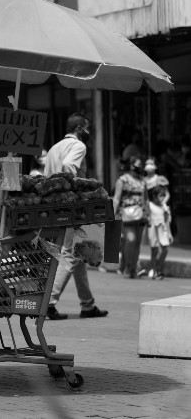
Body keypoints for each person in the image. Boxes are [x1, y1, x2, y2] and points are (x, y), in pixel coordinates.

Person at [44, 113, 108, 320]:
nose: (89, 133)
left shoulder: (54, 148)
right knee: (71, 254)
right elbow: (68, 167)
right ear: (80, 129)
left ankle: (87, 305)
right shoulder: (78, 146)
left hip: (55, 206)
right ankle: (49, 303)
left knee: (79, 253)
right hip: (73, 205)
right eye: (87, 128)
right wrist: (78, 191)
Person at [113, 156, 150, 279]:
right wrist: (112, 214)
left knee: (137, 243)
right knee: (131, 239)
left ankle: (133, 269)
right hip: (126, 215)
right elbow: (117, 198)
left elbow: (146, 199)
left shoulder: (142, 181)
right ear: (131, 165)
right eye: (138, 164)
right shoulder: (122, 180)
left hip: (140, 216)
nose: (140, 167)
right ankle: (127, 266)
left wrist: (148, 213)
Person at [147, 186, 173, 280]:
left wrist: (169, 234)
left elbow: (166, 221)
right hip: (153, 229)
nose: (162, 198)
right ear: (154, 196)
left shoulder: (164, 206)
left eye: (163, 196)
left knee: (165, 249)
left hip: (163, 230)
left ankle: (158, 267)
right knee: (154, 251)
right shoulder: (150, 205)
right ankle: (154, 270)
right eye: (160, 196)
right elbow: (148, 218)